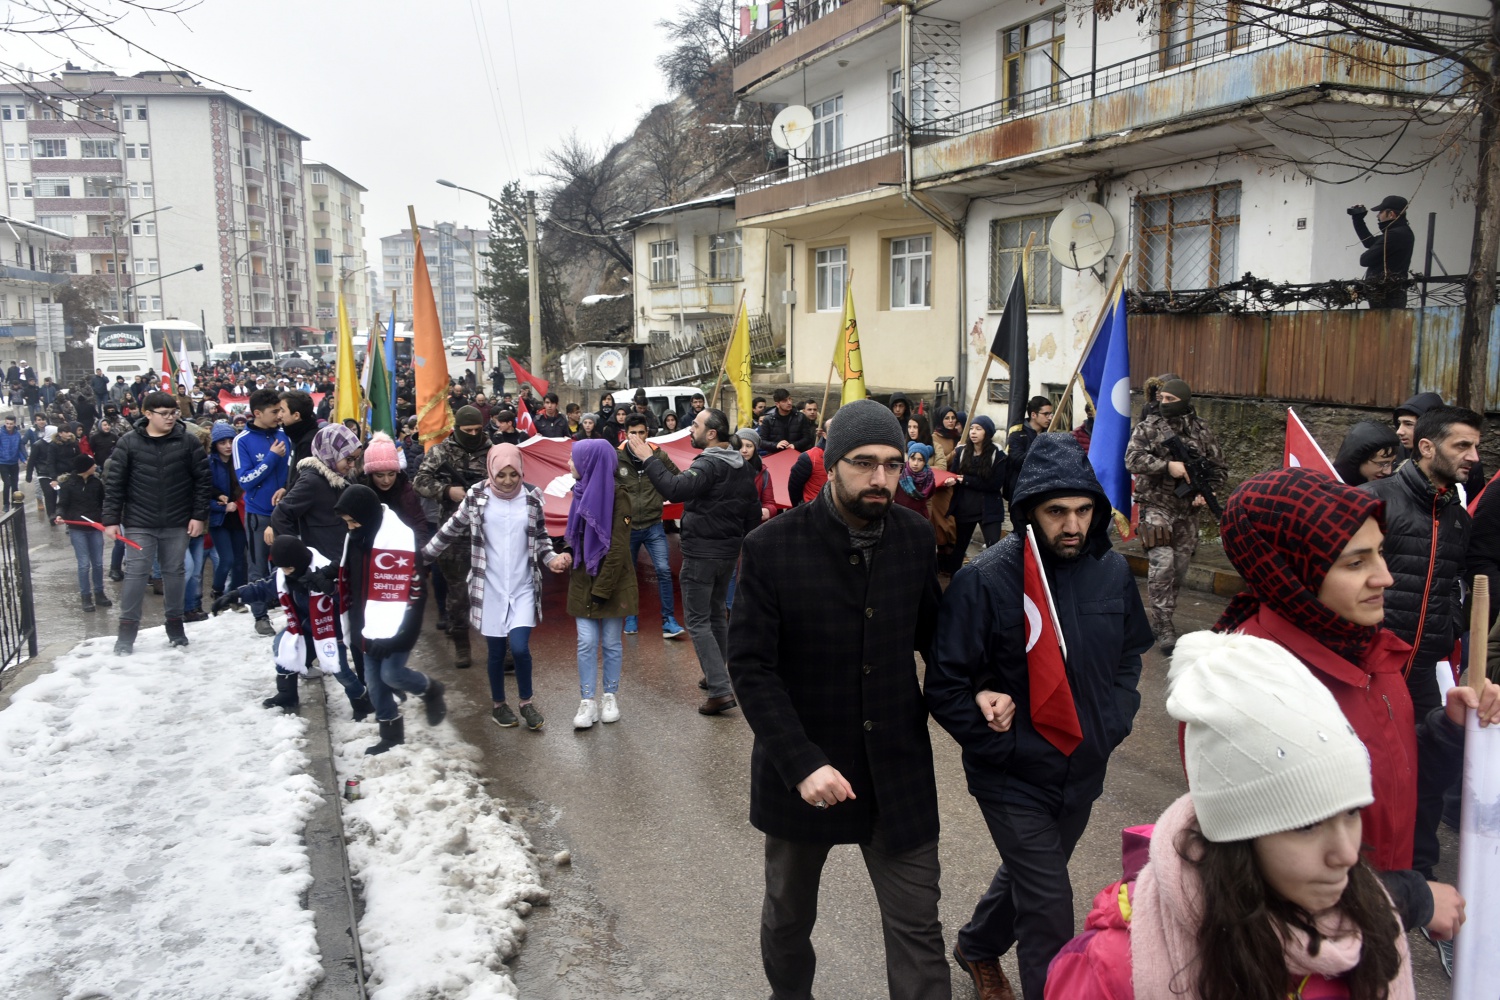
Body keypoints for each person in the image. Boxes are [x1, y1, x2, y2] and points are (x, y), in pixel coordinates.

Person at [1045, 628, 1416, 1000]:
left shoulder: (1375, 928)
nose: (1348, 854)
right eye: (1306, 825)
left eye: (1351, 812)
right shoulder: (1110, 970)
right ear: (1237, 837)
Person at [728, 399, 949, 1000]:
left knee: (919, 929)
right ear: (831, 461)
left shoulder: (913, 535)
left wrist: (983, 690)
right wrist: (802, 763)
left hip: (897, 769)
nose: (881, 478)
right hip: (804, 769)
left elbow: (937, 639)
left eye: (893, 464)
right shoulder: (771, 547)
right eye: (864, 463)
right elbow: (751, 667)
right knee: (788, 916)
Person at [927, 434, 1152, 1000]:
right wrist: (1003, 744)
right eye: (1057, 512)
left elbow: (1129, 657)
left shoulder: (1112, 572)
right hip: (1013, 777)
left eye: (1083, 510)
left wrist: (1113, 721)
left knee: (1032, 876)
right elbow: (947, 685)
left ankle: (977, 945)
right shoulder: (986, 579)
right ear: (1029, 511)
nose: (1072, 525)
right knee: (1049, 904)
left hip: (1083, 767)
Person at [1212, 466, 1473, 946]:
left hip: (1373, 937)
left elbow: (1392, 785)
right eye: (1355, 563)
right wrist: (1408, 898)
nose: (1386, 577)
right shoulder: (1249, 688)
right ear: (1292, 572)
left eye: (1380, 552)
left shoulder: (1370, 651)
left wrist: (1447, 731)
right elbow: (1262, 886)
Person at [1361, 405, 1479, 884]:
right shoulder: (1373, 499)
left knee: (1428, 774)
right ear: (1426, 447)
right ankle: (1361, 873)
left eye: (1476, 446)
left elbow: (1454, 583)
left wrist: (1448, 626)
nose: (1473, 456)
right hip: (1371, 668)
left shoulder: (1458, 518)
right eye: (1462, 445)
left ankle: (1421, 874)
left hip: (1425, 670)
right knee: (1368, 772)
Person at [425, 443, 571, 732]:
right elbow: (450, 530)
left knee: (519, 648)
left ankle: (526, 703)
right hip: (489, 586)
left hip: (523, 586)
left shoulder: (531, 497)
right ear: (491, 471)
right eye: (501, 475)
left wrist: (552, 558)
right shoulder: (476, 496)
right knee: (495, 652)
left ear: (521, 472)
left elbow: (541, 538)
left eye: (513, 474)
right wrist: (422, 557)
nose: (507, 481)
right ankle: (499, 705)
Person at [627, 408, 760, 714]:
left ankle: (720, 690)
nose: (690, 429)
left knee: (698, 620)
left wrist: (648, 458)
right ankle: (717, 674)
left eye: (696, 425)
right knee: (715, 616)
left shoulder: (709, 464)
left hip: (702, 553)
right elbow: (752, 513)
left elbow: (675, 490)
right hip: (727, 553)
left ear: (711, 433)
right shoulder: (742, 466)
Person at [333, 485, 446, 756]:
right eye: (347, 522)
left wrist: (399, 635)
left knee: (391, 674)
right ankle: (390, 734)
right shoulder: (357, 539)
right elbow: (349, 574)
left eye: (353, 521)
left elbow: (416, 593)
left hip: (398, 625)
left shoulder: (399, 542)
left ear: (368, 516)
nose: (350, 528)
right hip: (366, 624)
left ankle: (430, 689)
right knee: (374, 684)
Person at [215, 535, 374, 721]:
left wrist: (329, 589)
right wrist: (235, 595)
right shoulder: (283, 576)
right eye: (282, 568)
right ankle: (287, 694)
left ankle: (361, 700)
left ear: (299, 561)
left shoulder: (325, 571)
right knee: (282, 647)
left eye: (289, 568)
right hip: (304, 627)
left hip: (330, 631)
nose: (286, 572)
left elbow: (349, 602)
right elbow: (263, 588)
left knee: (341, 671)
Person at [102, 391, 212, 655]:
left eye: (173, 413)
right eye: (164, 414)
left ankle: (175, 626)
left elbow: (203, 482)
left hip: (177, 521)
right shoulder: (129, 442)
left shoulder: (188, 442)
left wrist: (198, 516)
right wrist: (111, 520)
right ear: (147, 414)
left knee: (175, 574)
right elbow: (115, 484)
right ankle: (126, 633)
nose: (170, 418)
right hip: (139, 522)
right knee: (136, 574)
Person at [1123, 375, 1226, 654]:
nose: (1164, 403)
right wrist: (1168, 467)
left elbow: (1219, 469)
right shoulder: (1148, 427)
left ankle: (1165, 612)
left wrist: (1206, 492)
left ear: (1184, 401)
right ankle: (1163, 624)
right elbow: (1132, 459)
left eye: (1171, 399)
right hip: (1156, 505)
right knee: (1163, 563)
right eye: (1162, 398)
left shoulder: (1202, 431)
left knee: (1179, 568)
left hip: (1188, 510)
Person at [564, 438, 638, 730]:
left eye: (574, 458)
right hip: (583, 577)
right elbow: (574, 535)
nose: (569, 463)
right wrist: (566, 553)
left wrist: (602, 589)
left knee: (611, 642)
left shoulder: (620, 496)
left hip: (612, 580)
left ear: (590, 462)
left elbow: (618, 548)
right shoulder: (579, 491)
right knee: (585, 641)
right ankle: (587, 700)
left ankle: (610, 696)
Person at [414, 405, 492, 670]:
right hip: (454, 533)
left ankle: (500, 647)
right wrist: (447, 491)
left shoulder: (492, 451)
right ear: (457, 428)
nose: (473, 435)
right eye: (467, 430)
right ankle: (461, 645)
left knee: (494, 593)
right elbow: (420, 481)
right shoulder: (441, 452)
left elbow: (511, 481)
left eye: (477, 430)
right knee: (458, 594)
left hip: (488, 533)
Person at [617, 413, 687, 640]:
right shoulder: (616, 456)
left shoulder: (658, 454)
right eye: (633, 433)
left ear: (647, 433)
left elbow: (677, 481)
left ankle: (669, 620)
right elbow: (606, 487)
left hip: (654, 524)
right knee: (628, 574)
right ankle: (630, 616)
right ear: (625, 434)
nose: (637, 437)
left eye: (641, 432)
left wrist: (662, 491)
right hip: (628, 526)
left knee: (664, 570)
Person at [233, 388, 291, 636]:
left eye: (280, 410)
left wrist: (287, 488)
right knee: (258, 566)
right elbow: (245, 480)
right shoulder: (242, 441)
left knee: (289, 563)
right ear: (257, 413)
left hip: (286, 513)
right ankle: (260, 616)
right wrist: (270, 458)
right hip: (259, 513)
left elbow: (293, 472)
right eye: (274, 411)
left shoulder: (284, 435)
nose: (279, 415)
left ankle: (292, 611)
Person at [269, 423, 362, 564]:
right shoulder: (312, 481)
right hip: (322, 562)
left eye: (355, 459)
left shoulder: (346, 477)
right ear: (331, 452)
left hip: (344, 557)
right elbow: (281, 514)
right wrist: (297, 555)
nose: (352, 465)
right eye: (348, 459)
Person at [942, 415, 1006, 575]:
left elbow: (995, 484)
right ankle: (954, 582)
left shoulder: (998, 454)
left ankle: (992, 582)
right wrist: (952, 481)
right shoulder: (962, 451)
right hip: (965, 508)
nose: (973, 432)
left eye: (978, 429)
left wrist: (967, 480)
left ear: (987, 433)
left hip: (989, 509)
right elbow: (955, 475)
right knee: (960, 548)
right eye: (971, 428)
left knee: (994, 549)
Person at [55, 454, 111, 612]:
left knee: (98, 563)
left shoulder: (96, 483)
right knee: (84, 564)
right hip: (77, 528)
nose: (95, 467)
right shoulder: (68, 485)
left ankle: (99, 593)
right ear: (85, 468)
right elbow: (62, 504)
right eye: (92, 465)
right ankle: (85, 596)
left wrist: (105, 518)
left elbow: (103, 502)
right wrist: (59, 515)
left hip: (95, 527)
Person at [207, 422, 248, 606]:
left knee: (240, 560)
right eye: (222, 442)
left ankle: (235, 596)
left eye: (231, 441)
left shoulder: (241, 460)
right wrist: (221, 507)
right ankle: (217, 590)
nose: (227, 446)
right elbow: (201, 495)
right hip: (219, 519)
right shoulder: (209, 463)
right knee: (227, 559)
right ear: (215, 444)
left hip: (239, 516)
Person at [1349, 195, 1414, 307]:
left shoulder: (1395, 234)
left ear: (1391, 214)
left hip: (1387, 295)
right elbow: (1369, 243)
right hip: (1390, 293)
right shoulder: (1402, 232)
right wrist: (1358, 219)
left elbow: (1365, 260)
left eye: (1381, 212)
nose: (1378, 216)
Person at [1003, 396, 1053, 532]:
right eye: (1046, 414)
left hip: (1042, 492)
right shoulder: (1017, 435)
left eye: (1051, 414)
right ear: (1033, 415)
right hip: (1021, 492)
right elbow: (1017, 461)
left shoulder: (1050, 436)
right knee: (1022, 533)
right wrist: (1038, 446)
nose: (1049, 418)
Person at [1333, 419, 1401, 486]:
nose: (1388, 471)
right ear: (1359, 459)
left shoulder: (1390, 485)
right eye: (1382, 464)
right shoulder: (1332, 488)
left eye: (1393, 462)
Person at [786, 419, 832, 507]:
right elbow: (794, 487)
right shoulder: (810, 457)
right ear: (824, 435)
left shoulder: (853, 455)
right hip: (814, 508)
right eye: (832, 429)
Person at [894, 441, 943, 520]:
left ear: (925, 462)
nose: (915, 463)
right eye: (913, 459)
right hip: (899, 516)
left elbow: (929, 498)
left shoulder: (929, 478)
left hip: (919, 517)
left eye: (920, 460)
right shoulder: (899, 473)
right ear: (908, 458)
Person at [1391, 391, 1443, 462]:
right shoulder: (1395, 455)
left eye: (1408, 424)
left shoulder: (1448, 459)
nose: (1399, 431)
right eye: (1399, 423)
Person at [759, 388, 813, 453]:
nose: (789, 403)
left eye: (790, 399)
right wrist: (776, 445)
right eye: (785, 401)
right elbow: (761, 442)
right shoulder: (768, 420)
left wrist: (795, 445)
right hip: (776, 455)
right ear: (777, 404)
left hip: (796, 453)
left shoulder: (800, 417)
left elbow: (807, 438)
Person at [0, 412, 23, 510]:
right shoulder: (1, 433)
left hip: (14, 462)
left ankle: (15, 502)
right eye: (7, 423)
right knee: (7, 483)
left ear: (14, 424)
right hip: (3, 462)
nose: (9, 426)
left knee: (15, 484)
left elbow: (20, 448)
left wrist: (24, 459)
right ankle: (6, 504)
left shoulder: (17, 434)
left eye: (11, 424)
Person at [931, 406, 963, 471]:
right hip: (944, 474)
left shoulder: (958, 436)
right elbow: (938, 464)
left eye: (953, 418)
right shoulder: (934, 438)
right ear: (940, 420)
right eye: (947, 418)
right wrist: (955, 451)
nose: (951, 421)